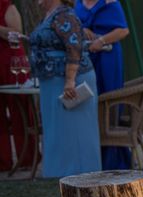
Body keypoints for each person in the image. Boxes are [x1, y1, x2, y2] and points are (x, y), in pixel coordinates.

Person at [29, 0, 101, 177]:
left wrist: (70, 81)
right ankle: (57, 176)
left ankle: (81, 177)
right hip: (51, 83)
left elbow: (74, 46)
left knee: (75, 134)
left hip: (69, 83)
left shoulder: (65, 14)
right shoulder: (49, 16)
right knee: (57, 134)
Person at [75, 0, 130, 170]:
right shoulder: (77, 4)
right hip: (85, 58)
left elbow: (123, 30)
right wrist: (82, 30)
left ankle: (112, 159)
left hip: (107, 58)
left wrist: (102, 40)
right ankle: (88, 156)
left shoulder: (111, 3)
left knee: (107, 100)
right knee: (85, 100)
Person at [0, 0, 36, 171]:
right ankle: (3, 162)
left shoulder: (6, 5)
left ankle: (27, 158)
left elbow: (17, 33)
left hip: (12, 63)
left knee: (19, 109)